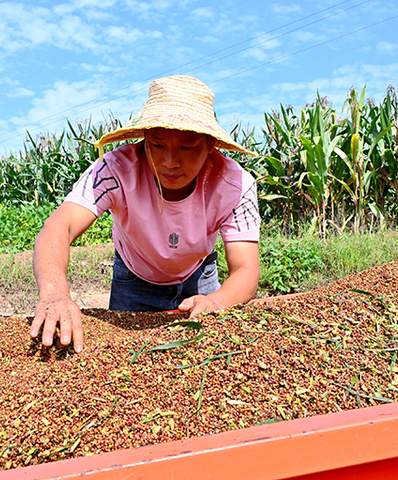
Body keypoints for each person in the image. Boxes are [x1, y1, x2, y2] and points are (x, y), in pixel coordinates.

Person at [30, 75, 261, 353]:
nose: (170, 162)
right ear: (144, 138)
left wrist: (215, 301)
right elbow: (60, 226)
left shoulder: (234, 185)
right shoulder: (115, 170)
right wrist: (55, 294)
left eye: (187, 147)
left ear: (210, 144)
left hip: (201, 278)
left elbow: (246, 269)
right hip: (134, 281)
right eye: (158, 144)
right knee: (124, 362)